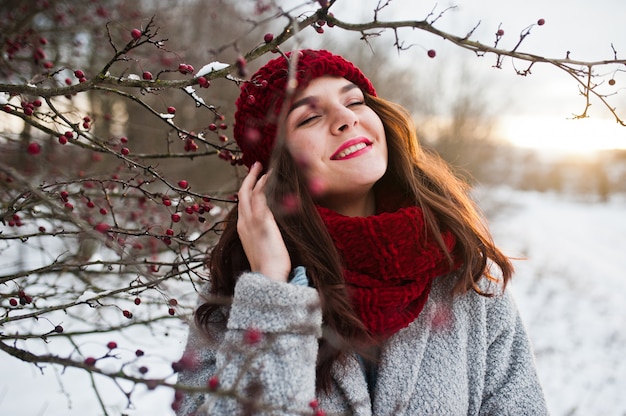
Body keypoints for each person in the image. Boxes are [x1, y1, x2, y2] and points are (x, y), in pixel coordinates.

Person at [175, 49, 548, 415]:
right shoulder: (237, 300)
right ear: (275, 168)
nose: (345, 118)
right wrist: (273, 293)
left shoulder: (464, 276)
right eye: (308, 118)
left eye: (354, 101)